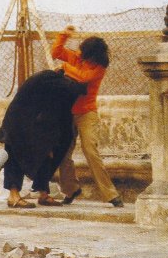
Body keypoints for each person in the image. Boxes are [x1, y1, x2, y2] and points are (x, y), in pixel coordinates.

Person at [0, 70, 87, 208]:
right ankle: (13, 196)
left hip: (30, 122)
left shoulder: (51, 87)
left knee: (46, 152)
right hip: (17, 122)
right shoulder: (51, 80)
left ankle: (43, 194)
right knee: (15, 155)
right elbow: (77, 89)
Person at [51, 25, 124, 207]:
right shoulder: (77, 58)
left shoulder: (98, 68)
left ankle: (110, 194)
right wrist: (64, 35)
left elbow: (83, 78)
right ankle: (71, 189)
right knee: (63, 153)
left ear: (91, 54)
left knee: (90, 151)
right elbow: (56, 52)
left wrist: (65, 67)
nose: (79, 52)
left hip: (86, 114)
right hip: (67, 112)